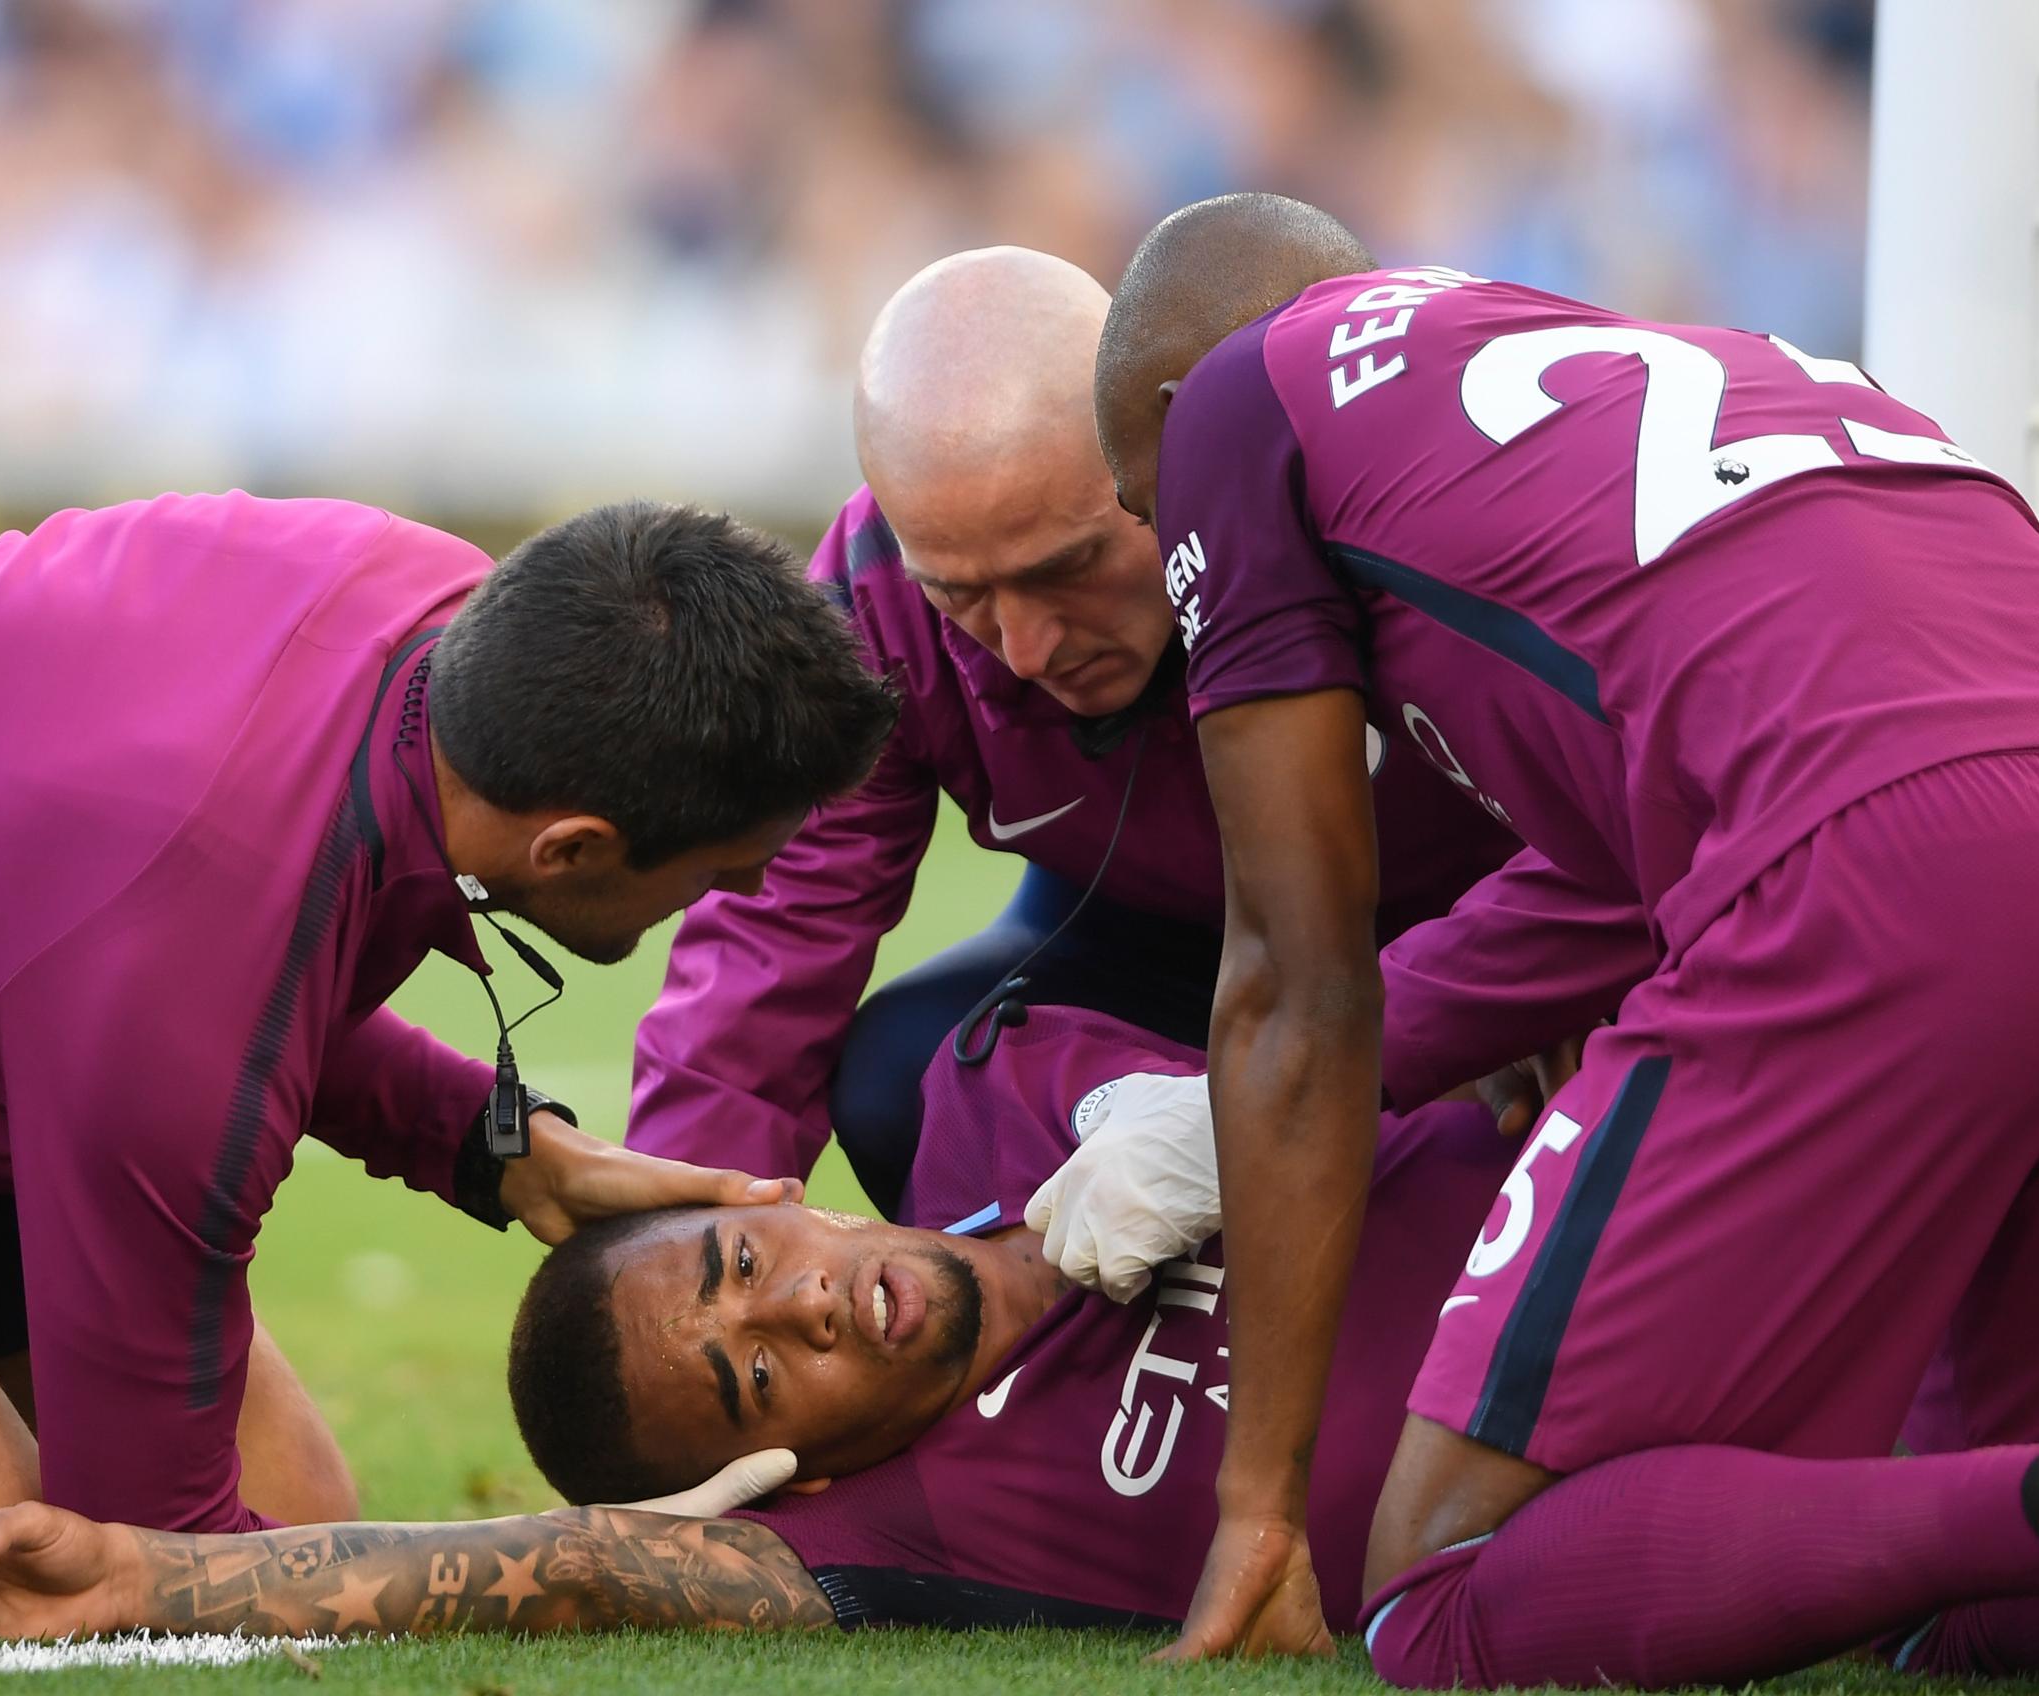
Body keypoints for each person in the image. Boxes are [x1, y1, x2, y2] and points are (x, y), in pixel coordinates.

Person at [1077, 192, 2039, 1680]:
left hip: (1898, 871)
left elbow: (1292, 990)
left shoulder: (1240, 405)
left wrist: (1257, 1510)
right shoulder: (1691, 352)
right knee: (2035, 1635)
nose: (1161, 548)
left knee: (1443, 1584)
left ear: (1179, 415)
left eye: (1139, 513)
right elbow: (1610, 874)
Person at [0, 1004, 2039, 1684]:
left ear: (769, 1205)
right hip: (1766, 1479)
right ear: (781, 1472)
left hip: (1825, 1236)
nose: (801, 1312)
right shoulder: (918, 1535)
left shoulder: (1022, 1086)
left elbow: (1382, 1024)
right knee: (2019, 1619)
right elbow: (570, 1569)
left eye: (748, 1273)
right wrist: (156, 1569)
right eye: (758, 1384)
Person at [0, 492, 897, 1621]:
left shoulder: (438, 616)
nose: (746, 890)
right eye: (725, 866)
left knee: (296, 1503)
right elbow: (161, 1550)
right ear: (570, 848)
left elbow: (218, 976)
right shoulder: (175, 980)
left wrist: (503, 1148)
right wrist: (583, 1556)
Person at [625, 246, 1637, 1219]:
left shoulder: (1385, 521)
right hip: (1151, 938)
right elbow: (771, 940)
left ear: (1159, 459)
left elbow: (1632, 831)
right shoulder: (873, 596)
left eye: (1063, 567)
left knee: (1596, 1104)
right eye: (961, 593)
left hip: (1472, 932)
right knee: (906, 1079)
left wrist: (1457, 1009)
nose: (1023, 647)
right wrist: (674, 1257)